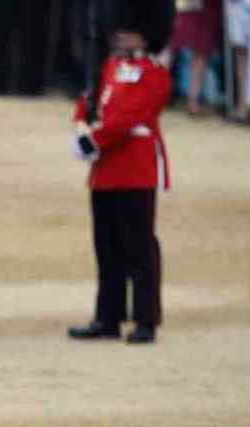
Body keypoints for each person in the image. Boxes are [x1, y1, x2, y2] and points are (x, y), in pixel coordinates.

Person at [69, 0, 174, 345]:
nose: (122, 35)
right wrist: (81, 125)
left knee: (139, 248)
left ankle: (146, 318)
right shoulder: (108, 67)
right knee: (107, 247)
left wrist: (92, 139)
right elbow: (89, 104)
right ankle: (108, 316)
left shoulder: (154, 73)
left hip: (134, 168)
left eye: (130, 30)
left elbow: (129, 117)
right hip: (105, 169)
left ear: (146, 36)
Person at [170, 0, 223, 116]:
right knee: (174, 46)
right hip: (191, 8)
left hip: (208, 10)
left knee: (201, 53)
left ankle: (193, 100)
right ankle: (153, 91)